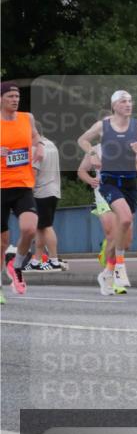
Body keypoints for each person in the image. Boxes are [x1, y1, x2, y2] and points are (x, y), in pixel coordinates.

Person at [77, 90, 137, 290]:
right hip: (109, 182)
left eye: (130, 101)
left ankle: (107, 272)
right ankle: (120, 267)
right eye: (123, 101)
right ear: (114, 105)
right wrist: (93, 153)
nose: (128, 104)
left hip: (130, 184)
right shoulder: (103, 125)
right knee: (125, 219)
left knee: (124, 237)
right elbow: (82, 140)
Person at [78, 145, 137, 295]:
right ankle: (112, 279)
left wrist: (132, 173)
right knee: (112, 235)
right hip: (104, 193)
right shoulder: (95, 149)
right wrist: (90, 180)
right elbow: (81, 171)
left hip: (123, 193)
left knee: (126, 242)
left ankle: (108, 264)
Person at [1, 82, 43, 296]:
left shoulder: (27, 118)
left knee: (29, 228)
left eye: (17, 96)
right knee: (2, 241)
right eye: (10, 96)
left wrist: (40, 147)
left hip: (23, 184)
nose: (15, 100)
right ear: (1, 99)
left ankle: (16, 267)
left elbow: (35, 136)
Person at [28, 132, 65, 271]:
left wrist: (28, 193)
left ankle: (54, 260)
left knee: (46, 226)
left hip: (41, 191)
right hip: (53, 189)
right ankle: (36, 261)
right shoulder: (52, 145)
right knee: (41, 227)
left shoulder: (36, 148)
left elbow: (34, 171)